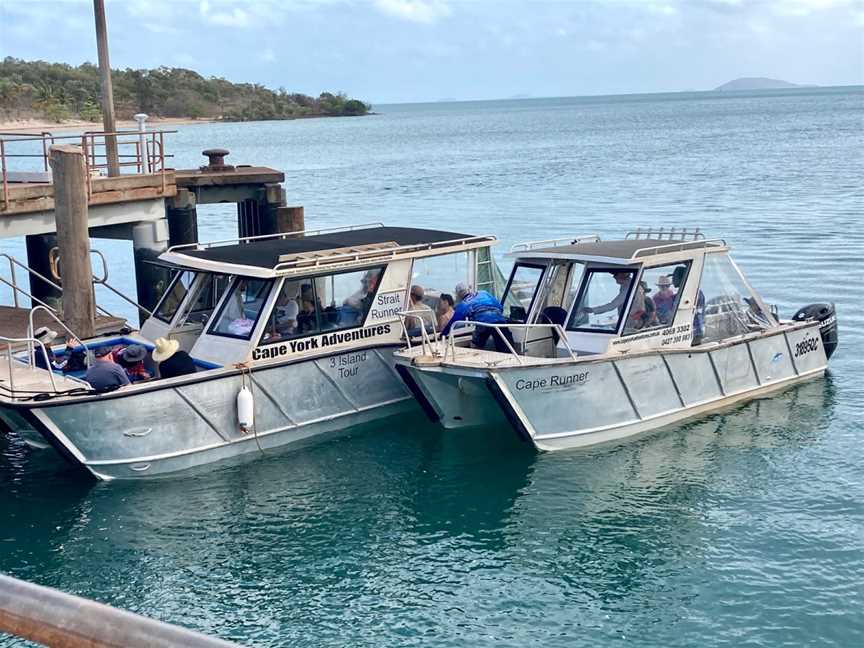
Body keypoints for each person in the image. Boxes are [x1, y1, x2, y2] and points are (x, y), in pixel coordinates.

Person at [442, 283, 513, 352]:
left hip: (483, 323)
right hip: (499, 320)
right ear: (469, 289)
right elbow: (500, 307)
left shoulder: (463, 304)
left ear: (459, 295)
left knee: (475, 346)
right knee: (507, 348)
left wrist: (443, 334)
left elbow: (453, 322)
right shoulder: (484, 293)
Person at [673, 266, 705, 345]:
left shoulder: (689, 294)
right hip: (694, 331)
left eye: (674, 277)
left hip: (693, 333)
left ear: (682, 278)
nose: (672, 280)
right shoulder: (695, 291)